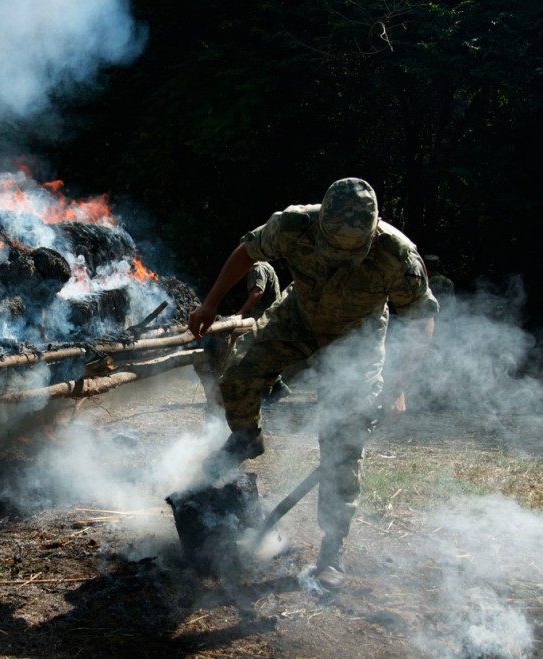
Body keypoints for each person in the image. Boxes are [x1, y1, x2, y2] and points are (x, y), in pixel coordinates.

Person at [188, 177, 438, 590]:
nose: (340, 258)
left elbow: (420, 319)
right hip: (298, 318)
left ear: (374, 232)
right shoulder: (293, 225)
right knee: (239, 380)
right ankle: (247, 439)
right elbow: (247, 251)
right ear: (321, 224)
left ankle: (333, 549)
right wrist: (211, 302)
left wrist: (396, 389)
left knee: (341, 440)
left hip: (358, 338)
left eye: (351, 252)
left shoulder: (399, 255)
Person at [235, 261, 290, 403]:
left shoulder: (257, 268)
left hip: (267, 320)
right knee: (265, 354)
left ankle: (267, 391)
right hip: (270, 318)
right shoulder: (265, 265)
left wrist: (241, 312)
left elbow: (258, 291)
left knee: (256, 354)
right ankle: (276, 387)